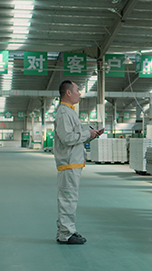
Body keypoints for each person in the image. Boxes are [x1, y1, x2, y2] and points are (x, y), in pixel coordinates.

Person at [54, 80, 101, 244]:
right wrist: (87, 133)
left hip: (73, 163)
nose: (79, 93)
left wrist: (90, 134)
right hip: (68, 163)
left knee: (70, 198)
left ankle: (67, 230)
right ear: (68, 93)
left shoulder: (70, 112)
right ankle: (66, 234)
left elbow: (74, 136)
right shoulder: (64, 113)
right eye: (77, 90)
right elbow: (67, 138)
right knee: (68, 198)